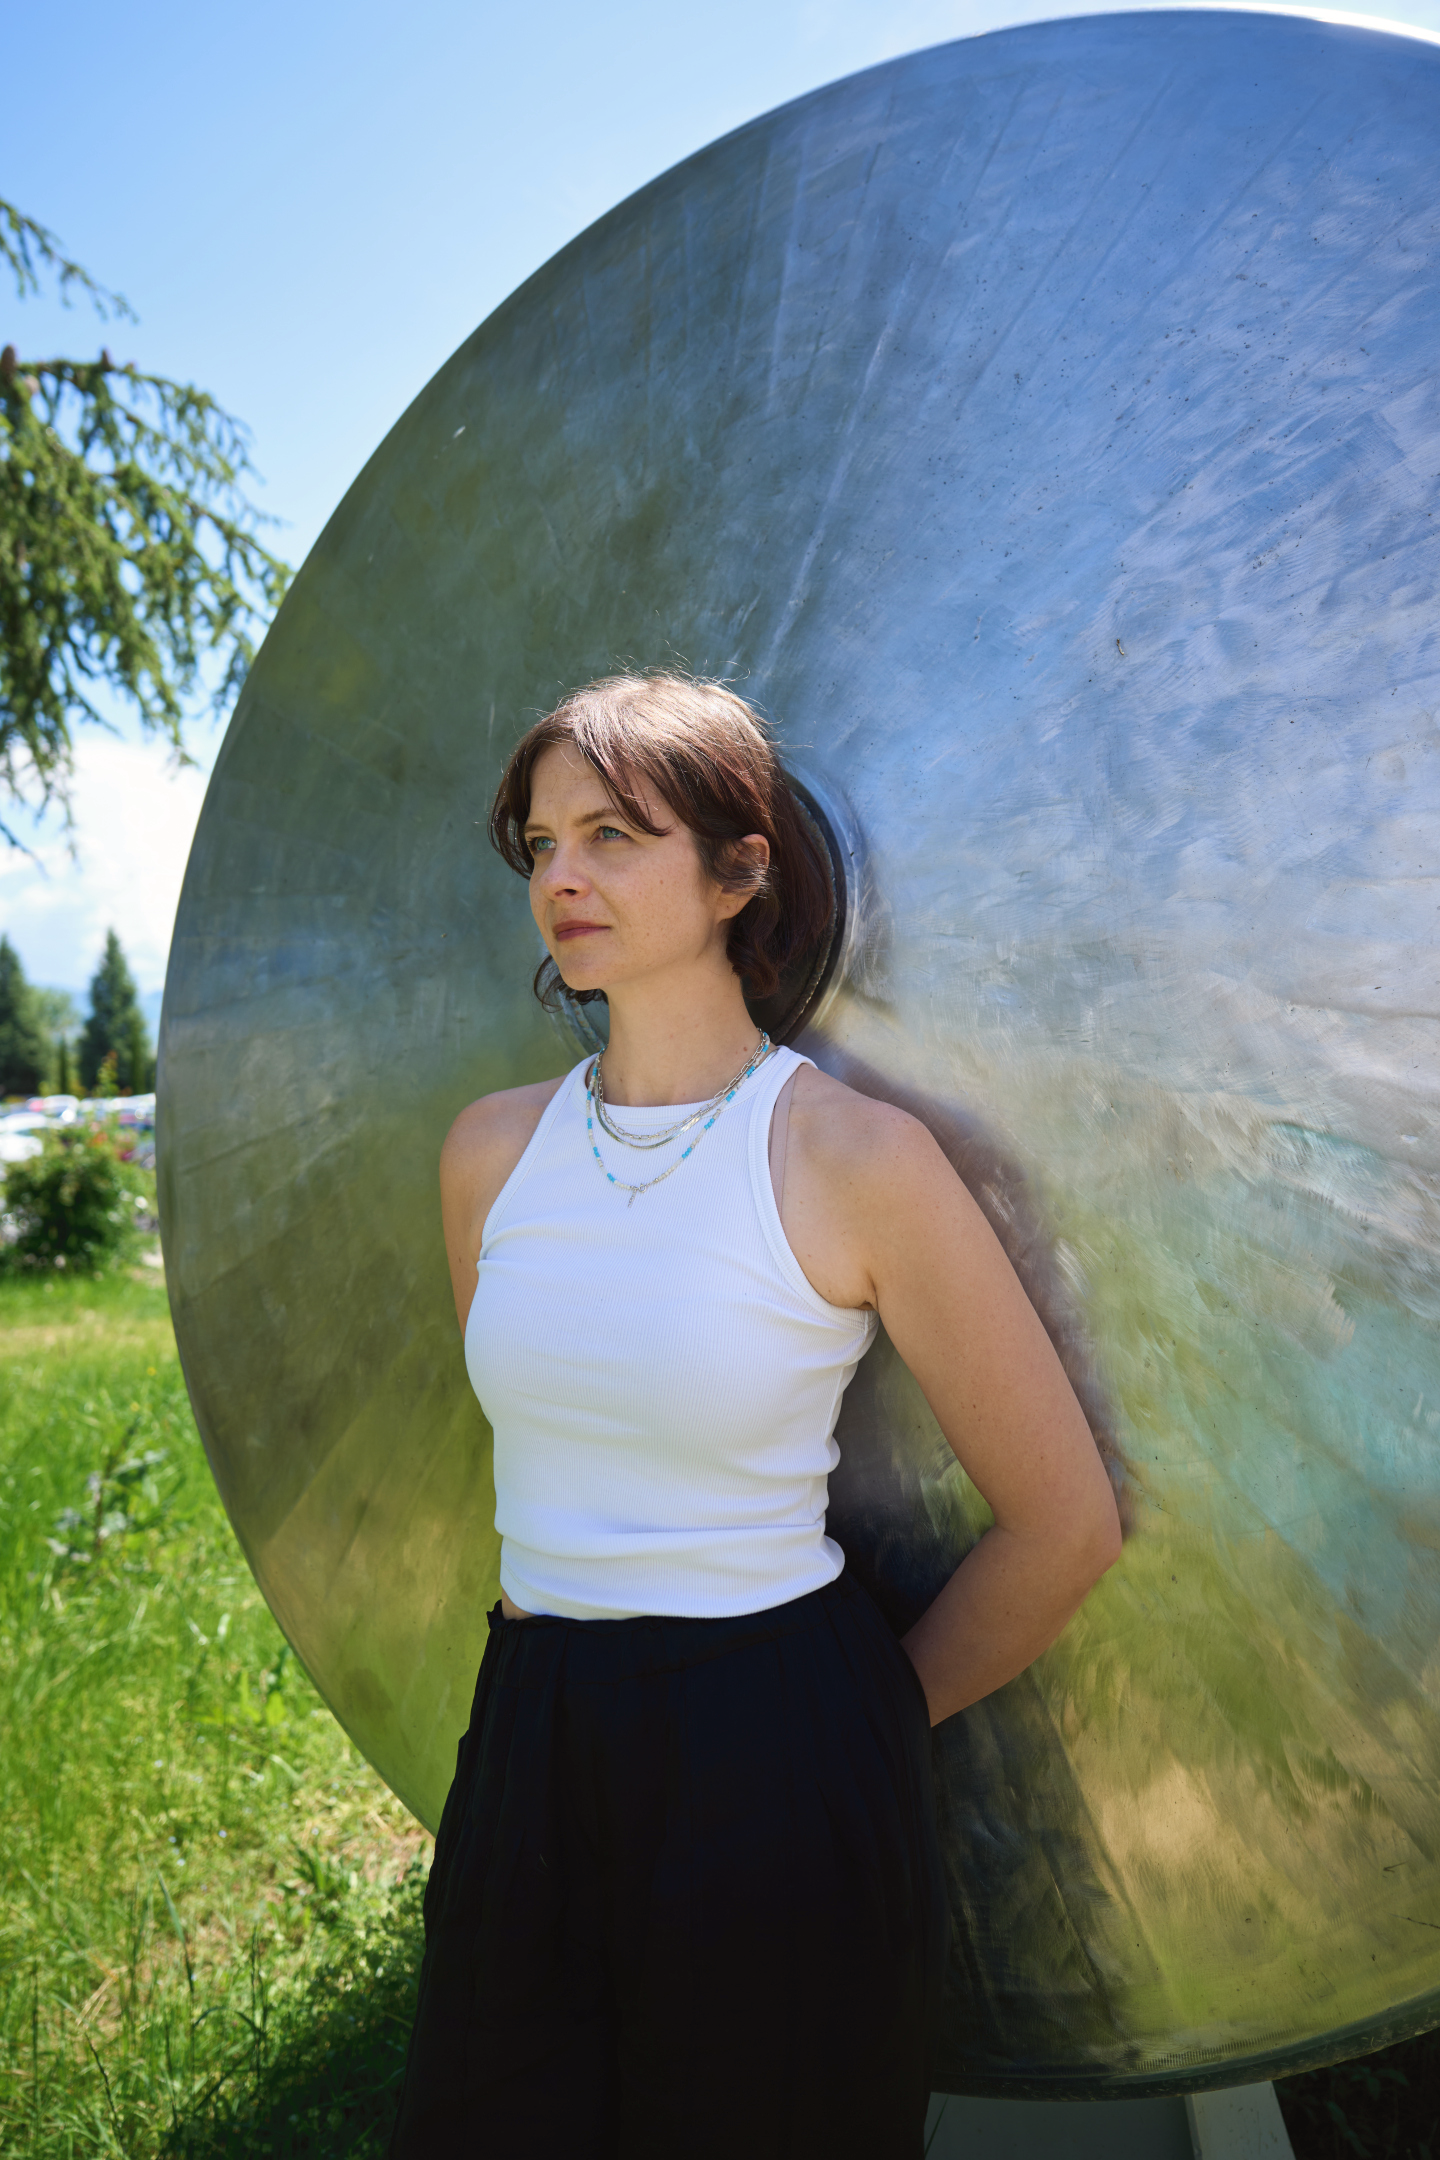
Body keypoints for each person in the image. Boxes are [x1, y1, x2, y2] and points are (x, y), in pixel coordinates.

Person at [389, 673, 1121, 2160]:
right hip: (529, 1727)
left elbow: (1066, 1527)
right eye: (539, 845)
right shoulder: (486, 1155)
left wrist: (843, 1729)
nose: (564, 877)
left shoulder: (855, 1157)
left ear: (740, 868)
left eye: (612, 834)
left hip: (776, 1751)